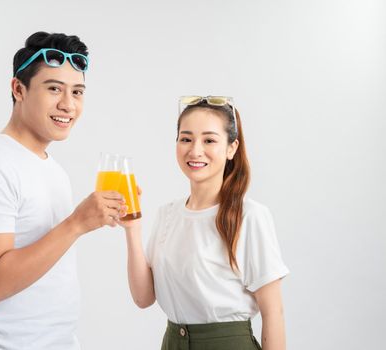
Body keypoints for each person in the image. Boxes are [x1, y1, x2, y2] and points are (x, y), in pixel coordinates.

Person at [0, 31, 125, 350]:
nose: (68, 105)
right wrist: (76, 224)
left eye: (77, 91)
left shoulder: (52, 169)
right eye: (54, 88)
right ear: (19, 89)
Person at [121, 96, 289, 350]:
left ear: (231, 148)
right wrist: (132, 228)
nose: (195, 150)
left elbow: (273, 312)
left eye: (209, 140)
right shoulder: (167, 214)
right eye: (186, 139)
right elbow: (143, 298)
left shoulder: (250, 216)